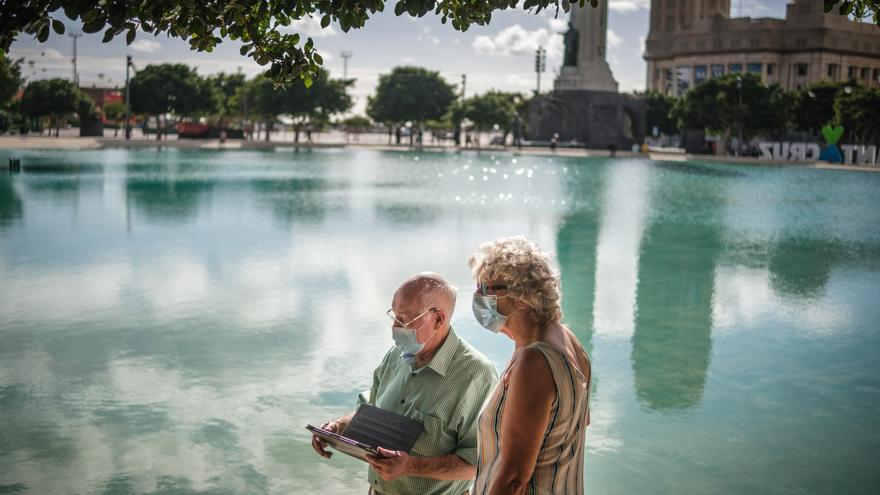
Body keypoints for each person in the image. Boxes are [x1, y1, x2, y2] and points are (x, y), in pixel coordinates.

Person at [311, 272, 498, 495]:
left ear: (438, 319)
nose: (395, 328)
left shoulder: (476, 375)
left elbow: (478, 462)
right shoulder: (396, 356)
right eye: (394, 316)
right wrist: (339, 427)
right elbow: (371, 407)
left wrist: (410, 466)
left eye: (405, 319)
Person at [468, 237, 592, 495]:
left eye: (487, 289)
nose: (478, 296)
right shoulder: (568, 341)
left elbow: (514, 479)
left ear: (522, 299)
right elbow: (579, 423)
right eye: (478, 287)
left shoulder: (535, 361)